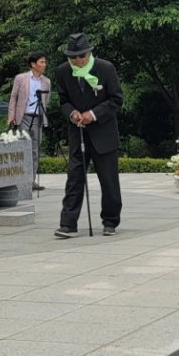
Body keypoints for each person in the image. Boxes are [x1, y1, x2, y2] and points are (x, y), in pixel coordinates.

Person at [53, 33, 123, 238]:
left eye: (81, 56)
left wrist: (93, 114)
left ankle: (110, 221)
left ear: (89, 53)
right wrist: (72, 113)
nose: (77, 60)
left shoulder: (105, 68)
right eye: (73, 57)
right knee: (74, 179)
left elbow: (116, 100)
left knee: (109, 180)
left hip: (104, 133)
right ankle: (68, 224)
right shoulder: (63, 71)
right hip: (78, 133)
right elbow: (63, 101)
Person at [7, 52, 50, 192]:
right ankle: (21, 180)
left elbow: (46, 101)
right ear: (33, 64)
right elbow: (13, 97)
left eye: (44, 62)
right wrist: (11, 115)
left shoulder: (46, 82)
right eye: (42, 62)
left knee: (35, 150)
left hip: (38, 118)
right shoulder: (21, 78)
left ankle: (31, 181)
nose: (44, 65)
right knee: (22, 148)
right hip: (23, 117)